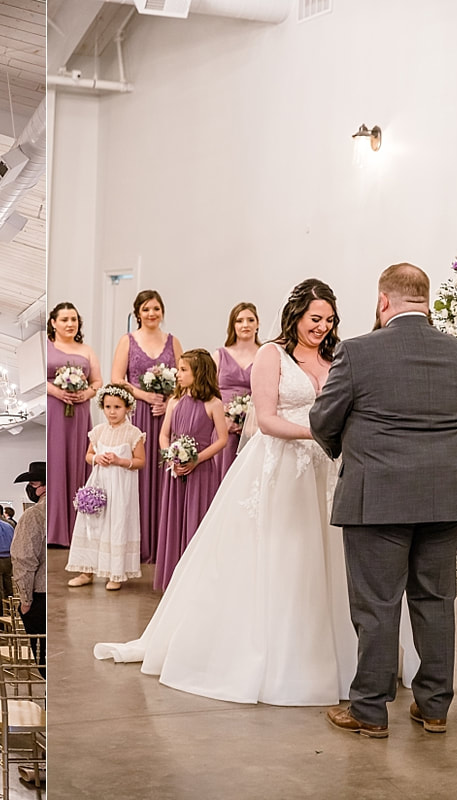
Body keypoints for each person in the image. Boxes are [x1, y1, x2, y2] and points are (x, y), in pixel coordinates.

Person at [95, 279, 360, 705]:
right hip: (282, 467)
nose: (323, 328)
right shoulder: (271, 355)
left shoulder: (335, 355)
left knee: (322, 559)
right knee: (282, 555)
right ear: (296, 315)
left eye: (329, 321)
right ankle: (272, 658)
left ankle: (332, 656)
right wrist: (319, 432)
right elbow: (269, 419)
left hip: (322, 471)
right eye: (316, 319)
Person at [310, 264, 457, 736]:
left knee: (377, 605)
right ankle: (434, 707)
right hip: (445, 496)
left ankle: (368, 710)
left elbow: (324, 419)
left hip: (378, 497)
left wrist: (346, 452)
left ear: (383, 301)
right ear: (425, 300)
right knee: (435, 600)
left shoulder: (357, 352)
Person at [111, 290, 184, 563]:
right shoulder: (127, 341)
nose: (151, 314)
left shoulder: (173, 342)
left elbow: (184, 378)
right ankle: (138, 544)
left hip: (167, 414)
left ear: (162, 311)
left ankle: (163, 542)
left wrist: (169, 403)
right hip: (140, 413)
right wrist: (145, 396)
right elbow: (117, 378)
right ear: (137, 313)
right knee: (139, 475)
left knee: (165, 472)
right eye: (146, 309)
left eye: (155, 308)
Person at [154, 348, 229, 591]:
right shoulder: (174, 401)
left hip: (202, 473)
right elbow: (164, 434)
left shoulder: (214, 403)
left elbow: (222, 439)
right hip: (175, 472)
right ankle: (173, 577)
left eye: (184, 370)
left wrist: (196, 460)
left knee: (197, 521)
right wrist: (170, 457)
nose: (178, 373)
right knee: (174, 520)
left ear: (199, 373)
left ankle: (196, 579)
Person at [65, 384, 146, 591]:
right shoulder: (98, 431)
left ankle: (115, 573)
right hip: (99, 484)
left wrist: (120, 460)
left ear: (127, 407)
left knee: (116, 523)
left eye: (117, 407)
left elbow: (140, 461)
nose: (112, 411)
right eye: (108, 407)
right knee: (93, 524)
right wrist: (96, 458)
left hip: (121, 487)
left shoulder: (133, 433)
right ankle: (87, 570)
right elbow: (88, 455)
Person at [46, 302, 103, 547]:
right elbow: (37, 376)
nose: (70, 324)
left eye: (74, 319)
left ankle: (78, 526)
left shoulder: (87, 349)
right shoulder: (45, 347)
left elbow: (98, 381)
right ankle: (55, 529)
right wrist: (57, 392)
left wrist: (87, 393)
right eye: (65, 319)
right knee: (56, 460)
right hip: (54, 408)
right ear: (53, 323)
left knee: (79, 460)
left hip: (79, 411)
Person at [213, 302, 260, 479]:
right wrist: (222, 418)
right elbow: (209, 393)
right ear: (233, 325)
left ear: (258, 324)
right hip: (222, 427)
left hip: (254, 428)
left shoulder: (265, 355)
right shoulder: (219, 355)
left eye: (250, 320)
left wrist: (251, 420)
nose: (245, 325)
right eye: (239, 321)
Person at [12, 462, 46, 675]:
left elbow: (24, 560)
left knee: (45, 664)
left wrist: (25, 601)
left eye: (32, 483)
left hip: (40, 595)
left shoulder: (34, 515)